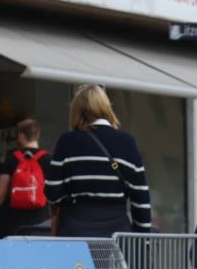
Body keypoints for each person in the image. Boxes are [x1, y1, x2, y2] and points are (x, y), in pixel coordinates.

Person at [45, 84, 152, 237]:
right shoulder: (127, 142)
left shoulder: (67, 141)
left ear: (77, 110)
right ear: (107, 107)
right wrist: (143, 240)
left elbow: (52, 192)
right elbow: (141, 199)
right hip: (116, 236)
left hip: (76, 233)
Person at [0, 118, 52, 236]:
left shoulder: (12, 159)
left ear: (21, 136)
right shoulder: (48, 159)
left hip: (16, 222)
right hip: (41, 220)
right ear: (38, 135)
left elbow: (1, 192)